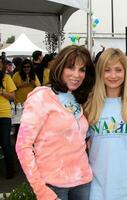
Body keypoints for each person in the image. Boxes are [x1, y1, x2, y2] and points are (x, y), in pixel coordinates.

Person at [16, 45, 96, 200]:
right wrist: (41, 190)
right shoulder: (41, 97)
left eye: (82, 70)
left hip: (83, 182)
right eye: (70, 68)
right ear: (59, 67)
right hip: (52, 185)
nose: (76, 75)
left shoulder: (79, 98)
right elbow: (22, 146)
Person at [84, 48, 127, 200]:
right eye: (107, 70)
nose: (113, 75)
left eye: (118, 70)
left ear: (126, 72)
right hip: (97, 187)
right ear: (100, 72)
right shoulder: (90, 105)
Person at [0, 66, 17, 179]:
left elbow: (12, 96)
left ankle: (11, 171)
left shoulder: (6, 78)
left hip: (3, 114)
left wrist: (2, 91)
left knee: (5, 143)